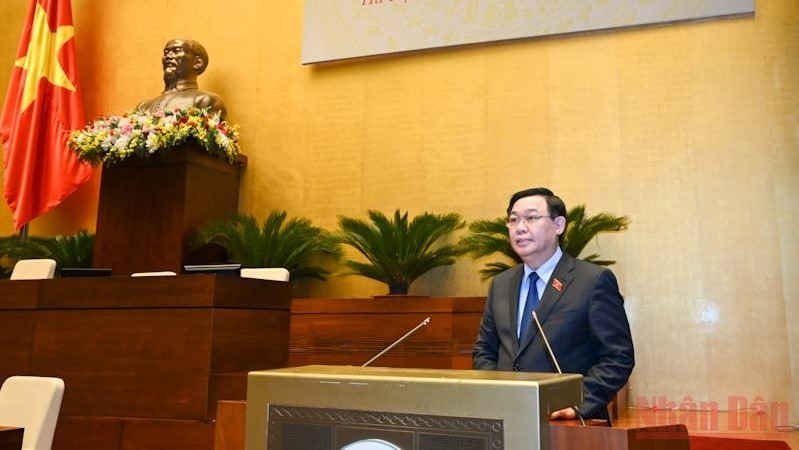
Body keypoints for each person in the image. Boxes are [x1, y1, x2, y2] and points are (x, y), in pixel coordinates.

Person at [473, 187, 634, 421]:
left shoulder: (592, 281)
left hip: (572, 425)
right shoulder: (501, 284)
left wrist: (579, 402)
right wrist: (498, 394)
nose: (520, 227)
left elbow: (618, 356)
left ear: (559, 225)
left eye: (531, 218)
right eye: (513, 220)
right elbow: (484, 350)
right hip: (509, 418)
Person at [136, 38, 227, 119]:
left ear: (197, 62)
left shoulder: (206, 101)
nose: (168, 56)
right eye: (166, 52)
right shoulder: (143, 106)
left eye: (176, 51)